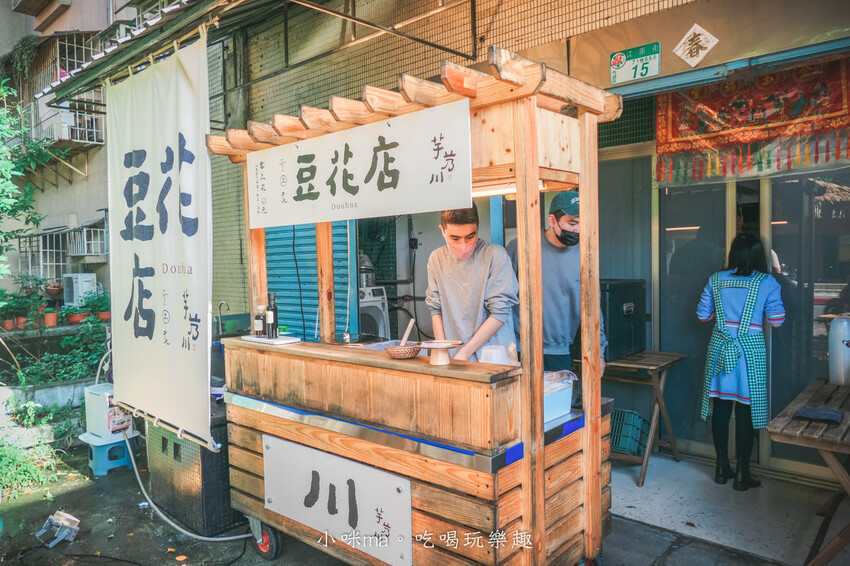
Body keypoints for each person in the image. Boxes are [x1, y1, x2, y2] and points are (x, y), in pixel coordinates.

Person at [697, 233, 785, 491]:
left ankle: (722, 468)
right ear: (760, 255)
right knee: (746, 412)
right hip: (749, 354)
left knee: (721, 409)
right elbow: (777, 320)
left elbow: (703, 316)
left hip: (720, 350)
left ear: (733, 253)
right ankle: (742, 474)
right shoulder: (767, 282)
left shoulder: (715, 279)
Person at [505, 191, 607, 374]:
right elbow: (501, 298)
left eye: (582, 223)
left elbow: (593, 308)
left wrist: (599, 352)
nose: (577, 230)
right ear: (552, 220)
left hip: (558, 352)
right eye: (572, 223)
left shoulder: (585, 254)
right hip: (518, 349)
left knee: (556, 403)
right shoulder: (520, 247)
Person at [425, 204, 519, 362]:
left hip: (492, 357)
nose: (463, 245)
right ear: (442, 230)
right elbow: (436, 311)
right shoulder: (437, 259)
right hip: (453, 357)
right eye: (455, 238)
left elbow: (499, 312)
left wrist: (465, 353)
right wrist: (443, 351)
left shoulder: (495, 255)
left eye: (470, 236)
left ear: (478, 226)